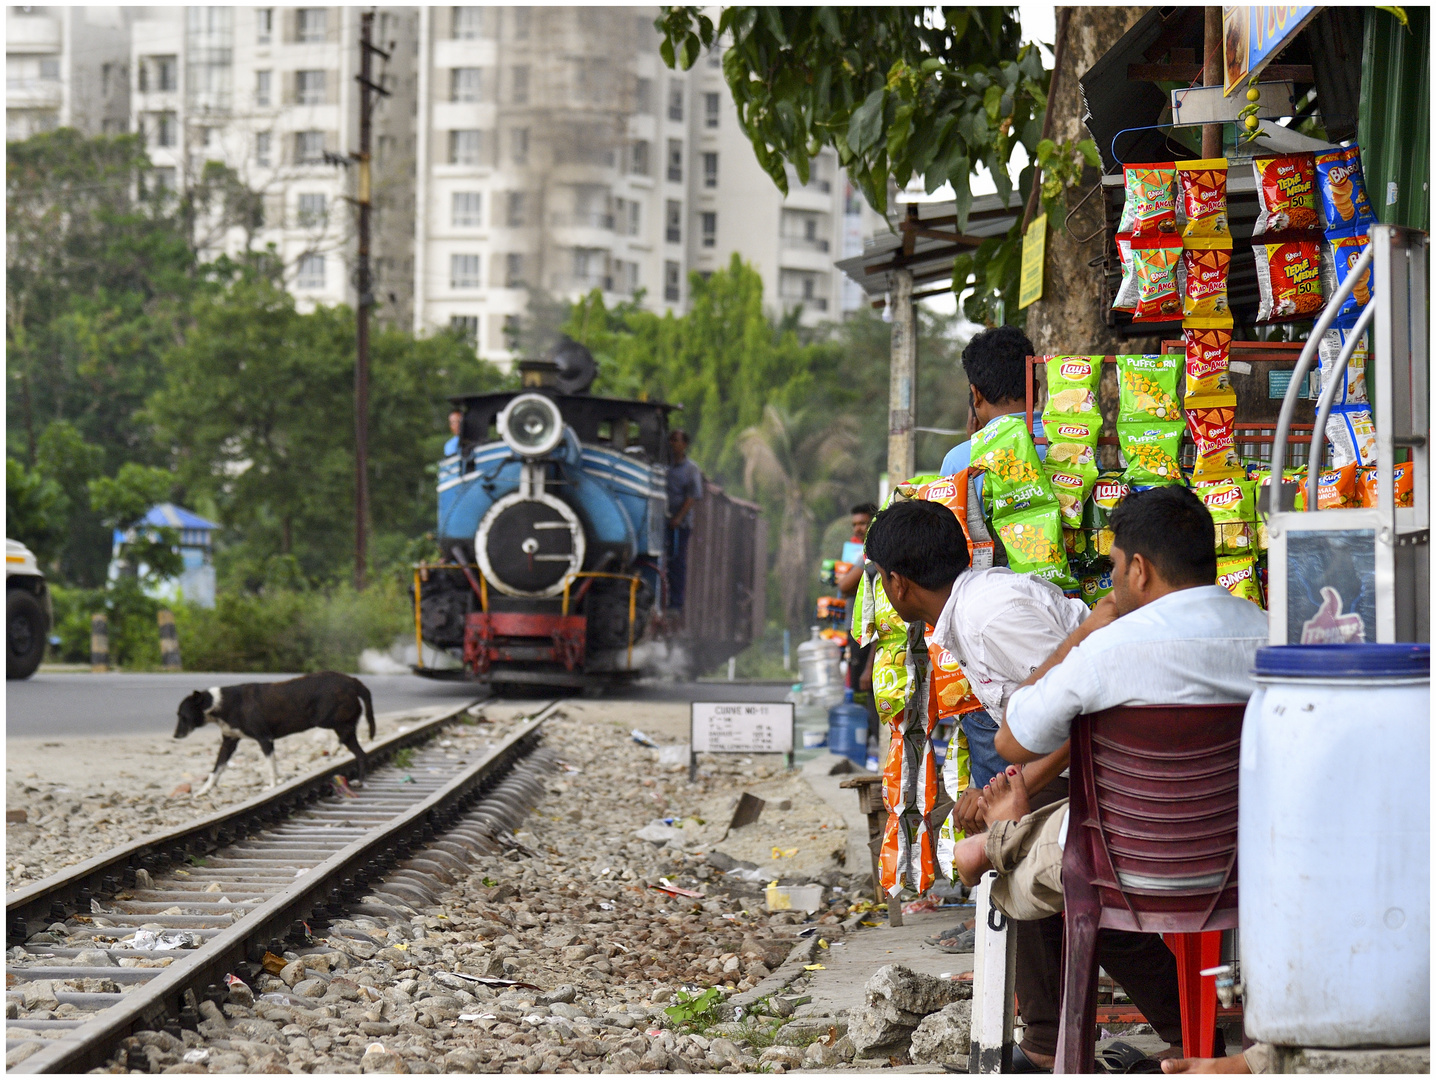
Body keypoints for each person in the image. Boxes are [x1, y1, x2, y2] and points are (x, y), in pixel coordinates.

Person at [945, 486, 1267, 1069]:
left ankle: (998, 845)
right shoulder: (1274, 636)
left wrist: (1080, 636)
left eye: (1115, 567)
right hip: (1247, 865)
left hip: (1127, 865)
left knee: (1046, 858)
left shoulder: (1108, 650)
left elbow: (1011, 739)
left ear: (1140, 569)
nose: (1113, 584)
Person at [836, 503, 879, 695]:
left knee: (864, 690)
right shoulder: (864, 551)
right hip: (859, 630)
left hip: (865, 631)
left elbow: (844, 586)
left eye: (863, 523)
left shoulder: (874, 552)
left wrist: (845, 582)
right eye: (854, 525)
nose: (858, 529)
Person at [665, 429, 703, 614]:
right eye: (671, 440)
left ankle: (676, 603)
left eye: (676, 440)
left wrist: (678, 518)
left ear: (685, 444)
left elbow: (693, 496)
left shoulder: (691, 469)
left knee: (677, 562)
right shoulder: (663, 465)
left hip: (679, 525)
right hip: (660, 521)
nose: (672, 443)